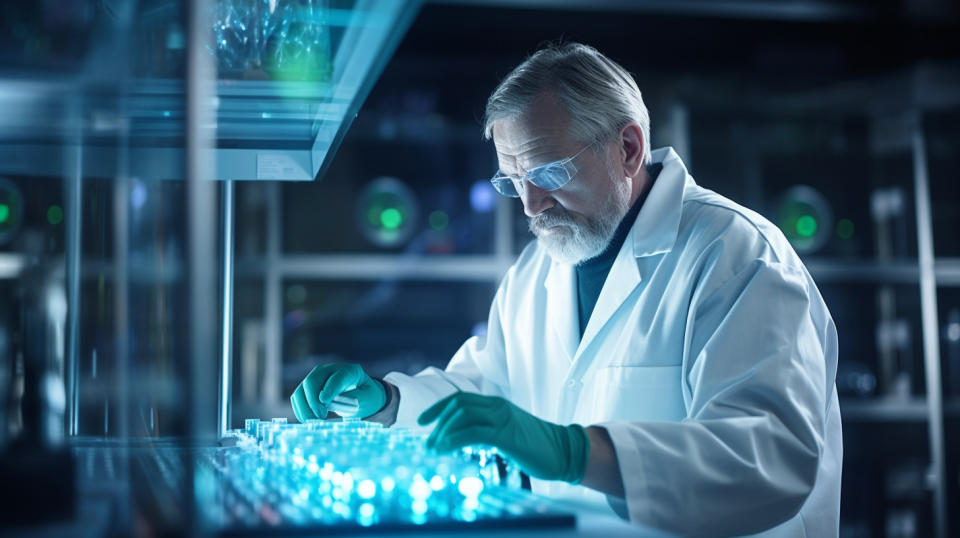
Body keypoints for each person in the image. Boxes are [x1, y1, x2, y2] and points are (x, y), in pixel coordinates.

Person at [290, 42, 841, 536]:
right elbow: (485, 394)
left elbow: (769, 459)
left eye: (549, 174)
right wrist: (387, 402)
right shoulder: (538, 269)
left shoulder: (735, 253)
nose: (530, 206)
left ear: (628, 148)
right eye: (512, 182)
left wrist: (574, 451)